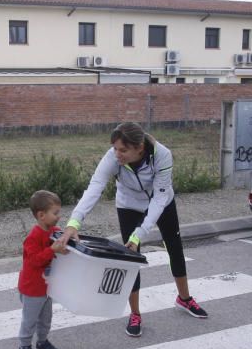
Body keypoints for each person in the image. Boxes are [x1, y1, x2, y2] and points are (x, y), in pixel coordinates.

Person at [55, 121, 208, 338]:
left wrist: (140, 233)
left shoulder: (162, 155)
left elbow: (160, 198)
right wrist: (74, 223)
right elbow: (95, 186)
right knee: (131, 256)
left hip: (161, 202)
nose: (117, 154)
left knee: (174, 248)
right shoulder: (113, 157)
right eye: (115, 148)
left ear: (140, 148)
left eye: (123, 150)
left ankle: (184, 299)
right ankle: (135, 314)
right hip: (128, 204)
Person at [16, 190, 69, 349]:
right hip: (32, 288)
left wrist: (65, 245)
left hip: (47, 287)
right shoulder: (33, 237)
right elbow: (35, 261)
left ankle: (42, 342)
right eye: (55, 213)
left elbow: (59, 248)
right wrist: (52, 250)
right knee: (30, 320)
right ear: (41, 215)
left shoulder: (54, 231)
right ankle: (24, 347)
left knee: (46, 318)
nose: (59, 217)